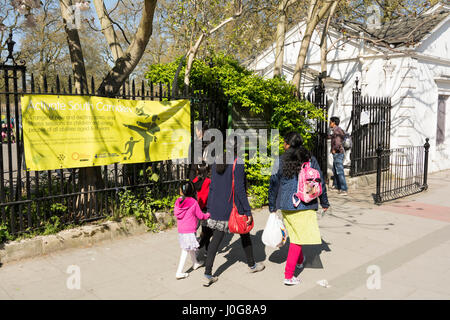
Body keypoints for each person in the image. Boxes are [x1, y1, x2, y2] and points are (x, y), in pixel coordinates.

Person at [268, 131, 330, 286]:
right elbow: (320, 180)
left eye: (284, 142)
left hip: (286, 204)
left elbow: (273, 184)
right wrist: (324, 202)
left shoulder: (280, 160)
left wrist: (272, 206)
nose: (283, 144)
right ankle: (288, 276)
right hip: (306, 203)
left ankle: (300, 260)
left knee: (296, 235)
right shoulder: (310, 158)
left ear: (289, 143)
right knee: (297, 239)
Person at [202, 142, 265, 287]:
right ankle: (252, 265)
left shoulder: (217, 161)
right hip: (233, 209)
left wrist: (210, 208)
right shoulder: (238, 162)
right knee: (245, 234)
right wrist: (248, 211)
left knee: (216, 240)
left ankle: (207, 273)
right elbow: (240, 189)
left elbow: (212, 187)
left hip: (217, 208)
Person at [174, 181, 210, 280]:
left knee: (190, 247)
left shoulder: (178, 201)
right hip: (189, 230)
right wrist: (208, 215)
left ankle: (195, 263)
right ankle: (179, 272)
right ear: (192, 191)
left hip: (181, 230)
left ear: (181, 191)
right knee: (185, 250)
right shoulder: (193, 202)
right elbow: (200, 216)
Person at [192, 162, 213, 254]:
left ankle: (196, 247)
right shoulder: (208, 181)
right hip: (205, 208)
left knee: (195, 229)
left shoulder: (195, 180)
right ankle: (203, 247)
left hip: (196, 208)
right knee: (207, 229)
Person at [329, 116, 348, 195]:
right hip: (338, 153)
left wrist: (334, 149)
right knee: (335, 170)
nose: (329, 124)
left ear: (333, 123)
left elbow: (337, 142)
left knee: (339, 171)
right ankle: (336, 185)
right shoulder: (337, 130)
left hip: (338, 153)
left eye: (330, 122)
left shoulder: (337, 131)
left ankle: (344, 189)